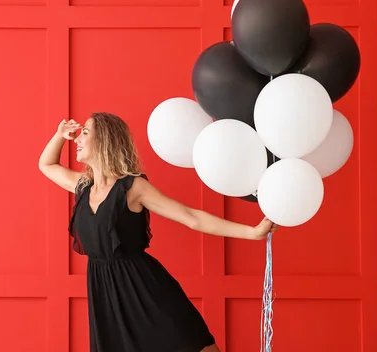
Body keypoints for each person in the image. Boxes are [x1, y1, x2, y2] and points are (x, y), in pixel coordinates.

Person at [39, 112, 277, 352]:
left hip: (144, 288)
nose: (77, 139)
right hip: (105, 294)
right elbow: (47, 165)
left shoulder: (132, 187)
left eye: (85, 133)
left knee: (193, 345)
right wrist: (59, 135)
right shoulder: (83, 186)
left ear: (105, 141)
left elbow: (190, 216)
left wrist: (253, 232)